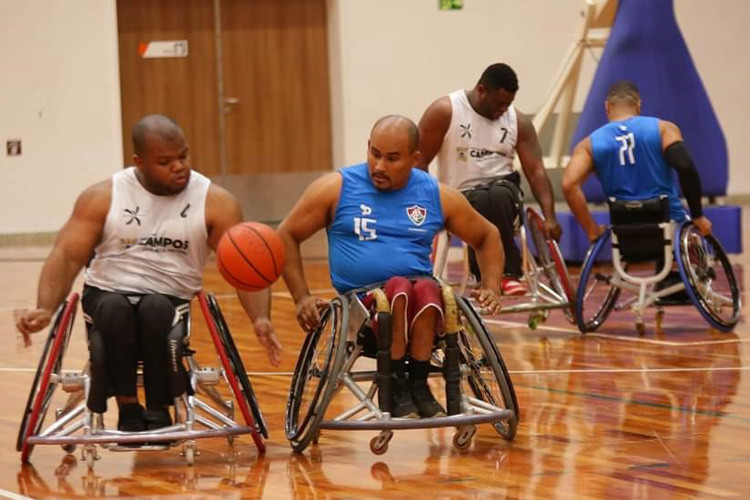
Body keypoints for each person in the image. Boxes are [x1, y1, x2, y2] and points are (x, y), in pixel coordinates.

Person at [15, 114, 282, 432]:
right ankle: (128, 408)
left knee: (156, 308)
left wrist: (260, 319)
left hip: (171, 298)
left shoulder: (216, 202)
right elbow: (66, 256)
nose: (179, 166)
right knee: (114, 309)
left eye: (183, 155)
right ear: (139, 162)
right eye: (165, 161)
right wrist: (46, 308)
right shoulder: (103, 197)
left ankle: (159, 408)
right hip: (107, 292)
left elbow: (245, 265)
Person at [277, 115, 504, 419]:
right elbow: (285, 235)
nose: (380, 166)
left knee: (426, 288)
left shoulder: (436, 195)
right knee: (398, 288)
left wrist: (490, 284)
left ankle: (418, 383)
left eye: (392, 158)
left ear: (414, 159)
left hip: (420, 299)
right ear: (368, 147)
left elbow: (488, 235)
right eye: (375, 154)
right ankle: (396, 381)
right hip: (362, 306)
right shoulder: (336, 188)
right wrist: (301, 296)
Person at [418, 63, 561, 296]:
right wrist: (429, 204)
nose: (503, 110)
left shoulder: (519, 122)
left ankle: (506, 274)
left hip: (505, 192)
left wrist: (551, 217)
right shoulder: (446, 111)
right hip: (460, 197)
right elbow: (419, 161)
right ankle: (489, 274)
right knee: (482, 199)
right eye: (498, 104)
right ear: (482, 90)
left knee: (495, 195)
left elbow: (535, 171)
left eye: (508, 104)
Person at [562, 81, 712, 296]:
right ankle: (684, 277)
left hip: (625, 230)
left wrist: (591, 230)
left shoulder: (588, 144)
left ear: (607, 108)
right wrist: (698, 216)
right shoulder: (663, 129)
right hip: (669, 224)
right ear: (639, 106)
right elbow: (686, 167)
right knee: (692, 238)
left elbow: (568, 185)